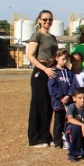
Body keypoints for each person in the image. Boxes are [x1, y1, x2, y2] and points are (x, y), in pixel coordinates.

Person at [27, 10, 58, 147]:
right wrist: (44, 68)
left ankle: (46, 135)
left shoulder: (52, 37)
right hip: (40, 72)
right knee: (38, 104)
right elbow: (30, 56)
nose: (47, 22)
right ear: (39, 20)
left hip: (51, 71)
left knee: (48, 105)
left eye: (50, 19)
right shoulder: (37, 35)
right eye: (45, 19)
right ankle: (35, 138)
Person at [48, 49, 73, 149]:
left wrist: (69, 95)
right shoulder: (53, 72)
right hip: (58, 102)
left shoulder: (69, 72)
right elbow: (52, 88)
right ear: (56, 58)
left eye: (66, 59)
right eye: (63, 59)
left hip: (68, 101)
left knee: (68, 121)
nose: (64, 61)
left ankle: (67, 139)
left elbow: (72, 85)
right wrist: (61, 96)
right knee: (59, 122)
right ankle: (57, 142)